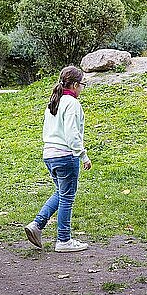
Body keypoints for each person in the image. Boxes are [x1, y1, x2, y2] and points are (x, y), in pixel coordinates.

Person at [25, 66, 92, 252]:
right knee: (67, 197)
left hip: (49, 155)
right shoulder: (72, 103)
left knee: (61, 193)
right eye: (83, 85)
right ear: (76, 84)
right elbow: (72, 135)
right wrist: (83, 155)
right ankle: (64, 240)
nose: (83, 88)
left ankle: (37, 225)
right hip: (65, 156)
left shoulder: (54, 102)